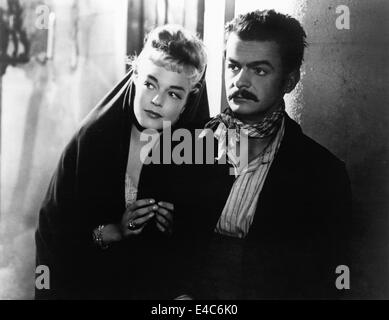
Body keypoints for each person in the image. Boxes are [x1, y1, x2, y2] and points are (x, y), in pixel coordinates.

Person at [179, 9, 352, 299]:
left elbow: (325, 280)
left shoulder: (323, 174)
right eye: (233, 66)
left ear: (290, 81)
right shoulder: (186, 147)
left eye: (259, 70)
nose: (240, 82)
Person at [35, 24, 208, 299]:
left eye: (174, 93)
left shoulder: (201, 152)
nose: (156, 100)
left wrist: (179, 228)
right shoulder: (91, 140)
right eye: (150, 83)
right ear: (135, 76)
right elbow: (53, 237)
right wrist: (111, 232)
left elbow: (205, 253)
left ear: (189, 101)